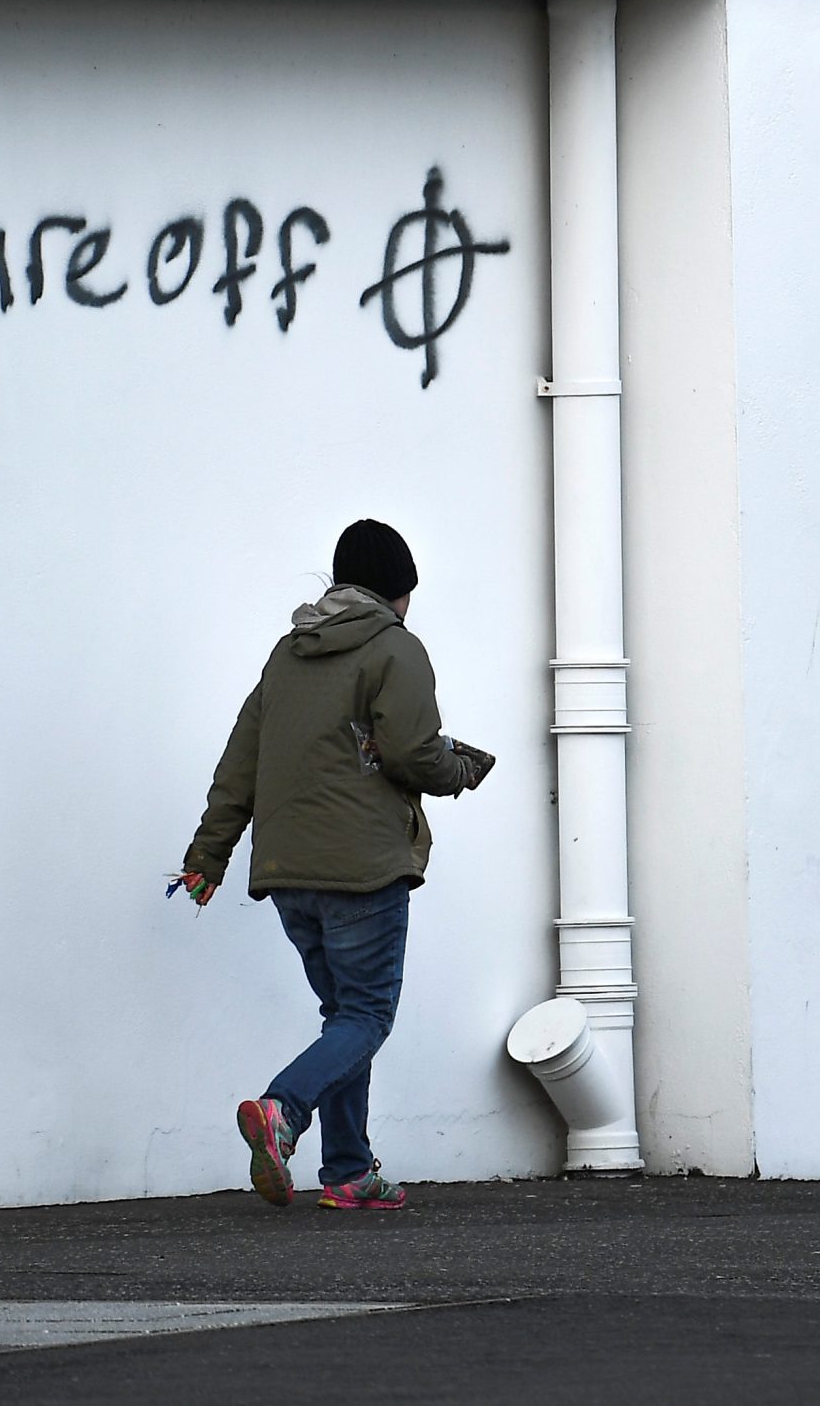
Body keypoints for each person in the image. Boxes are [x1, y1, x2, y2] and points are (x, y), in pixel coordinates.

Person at [171, 519, 495, 1212]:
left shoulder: (288, 655)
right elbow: (413, 751)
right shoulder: (394, 648)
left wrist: (209, 855)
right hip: (362, 868)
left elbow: (240, 763)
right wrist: (461, 767)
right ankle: (283, 1110)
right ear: (397, 589)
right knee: (368, 1015)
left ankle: (348, 1170)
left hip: (289, 873)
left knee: (343, 1016)